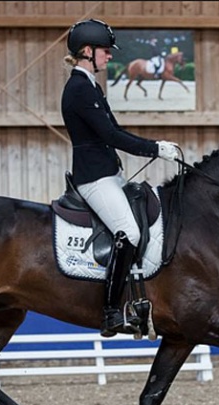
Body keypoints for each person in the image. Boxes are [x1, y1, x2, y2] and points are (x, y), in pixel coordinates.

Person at [61, 19, 181, 337]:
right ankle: (111, 312)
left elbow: (113, 132)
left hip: (109, 174)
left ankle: (139, 301)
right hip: (95, 178)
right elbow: (111, 135)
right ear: (87, 52)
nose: (109, 56)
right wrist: (155, 148)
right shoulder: (78, 89)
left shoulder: (91, 86)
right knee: (128, 232)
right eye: (105, 51)